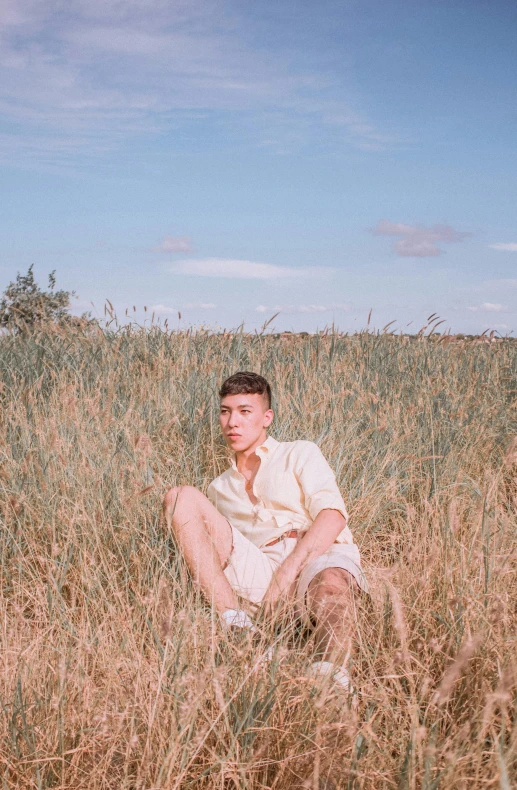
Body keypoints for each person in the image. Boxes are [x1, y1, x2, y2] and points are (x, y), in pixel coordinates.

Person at [162, 371, 368, 690]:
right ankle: (240, 629)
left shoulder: (299, 452)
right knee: (180, 498)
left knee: (331, 586)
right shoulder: (219, 487)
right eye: (225, 411)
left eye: (245, 411)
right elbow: (220, 547)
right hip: (260, 568)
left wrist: (285, 575)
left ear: (266, 417)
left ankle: (330, 683)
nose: (233, 422)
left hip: (317, 554)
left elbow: (332, 518)